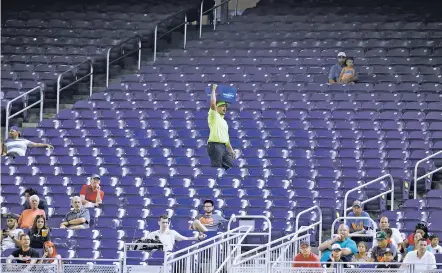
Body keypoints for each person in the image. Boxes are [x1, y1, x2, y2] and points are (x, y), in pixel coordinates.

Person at [207, 84, 236, 170]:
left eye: (225, 106)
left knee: (229, 166)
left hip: (223, 147)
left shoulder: (224, 122)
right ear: (217, 107)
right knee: (217, 168)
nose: (225, 108)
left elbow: (226, 140)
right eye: (222, 106)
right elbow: (212, 103)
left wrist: (231, 151)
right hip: (215, 145)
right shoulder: (214, 115)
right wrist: (213, 90)